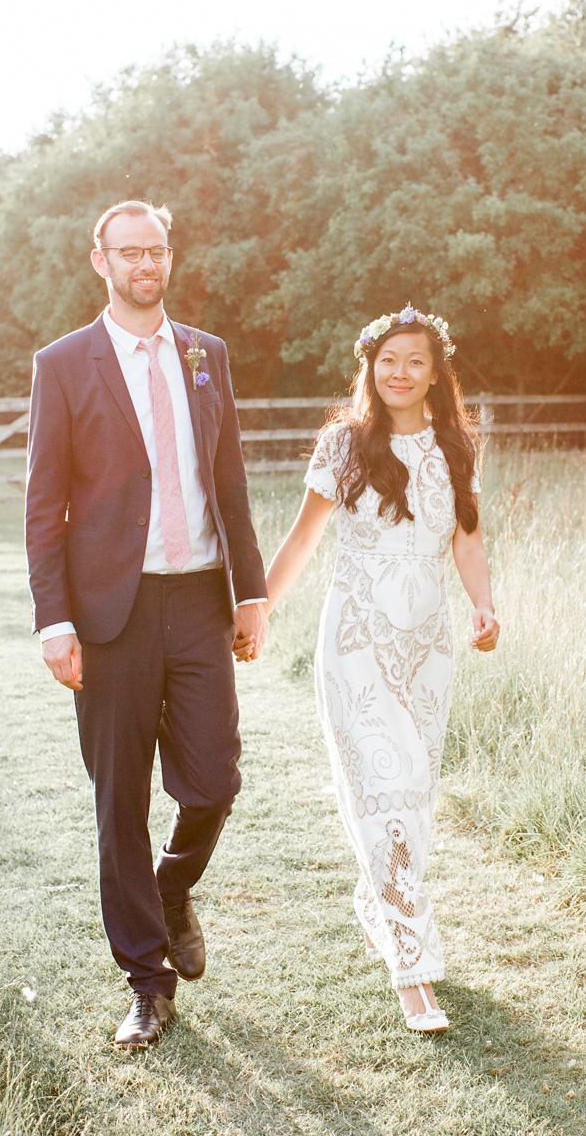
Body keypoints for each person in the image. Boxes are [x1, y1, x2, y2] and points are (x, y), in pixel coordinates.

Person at [25, 199, 268, 1050]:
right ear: (100, 260)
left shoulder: (207, 355)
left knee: (214, 783)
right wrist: (53, 621)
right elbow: (43, 503)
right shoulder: (63, 365)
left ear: (170, 256)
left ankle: (171, 889)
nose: (145, 264)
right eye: (128, 251)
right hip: (108, 616)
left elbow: (230, 481)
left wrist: (252, 592)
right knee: (118, 799)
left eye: (156, 250)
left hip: (200, 599)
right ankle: (147, 981)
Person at [264, 304, 499, 1032]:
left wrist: (485, 606)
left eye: (415, 361)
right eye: (388, 360)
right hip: (356, 641)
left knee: (415, 795)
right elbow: (304, 540)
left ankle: (377, 900)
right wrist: (258, 609)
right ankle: (414, 970)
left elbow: (466, 540)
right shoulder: (342, 445)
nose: (399, 373)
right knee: (379, 791)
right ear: (370, 366)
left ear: (436, 372)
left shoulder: (459, 443)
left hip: (427, 647)